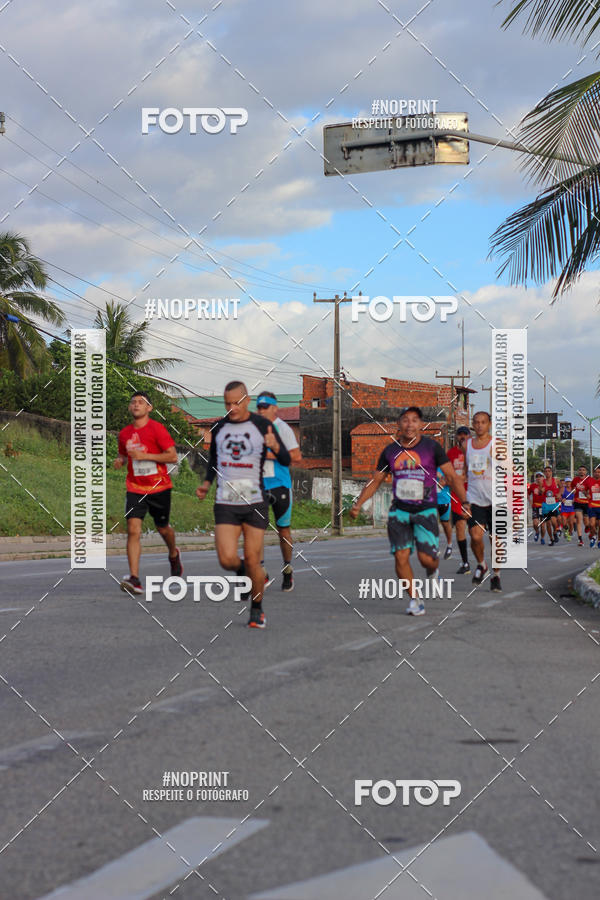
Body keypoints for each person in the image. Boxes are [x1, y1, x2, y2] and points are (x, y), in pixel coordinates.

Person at [349, 407, 469, 616]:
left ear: (420, 425)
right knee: (401, 557)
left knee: (426, 560)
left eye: (414, 420)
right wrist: (358, 504)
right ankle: (415, 599)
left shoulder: (432, 448)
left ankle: (433, 571)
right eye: (405, 420)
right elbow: (376, 480)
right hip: (400, 512)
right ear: (399, 424)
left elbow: (451, 476)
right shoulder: (390, 451)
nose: (410, 424)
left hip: (425, 511)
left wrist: (466, 503)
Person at [195, 381, 291, 629]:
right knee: (227, 559)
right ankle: (241, 573)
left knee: (252, 559)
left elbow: (286, 458)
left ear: (247, 400)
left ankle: (257, 610)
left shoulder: (263, 426)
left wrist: (275, 445)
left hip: (254, 502)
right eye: (227, 403)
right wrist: (206, 483)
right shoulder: (221, 426)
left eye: (236, 402)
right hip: (225, 501)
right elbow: (214, 459)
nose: (231, 408)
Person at [114, 391, 182, 595]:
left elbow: (172, 457)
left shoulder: (157, 429)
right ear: (129, 407)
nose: (136, 405)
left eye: (141, 402)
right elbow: (124, 454)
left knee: (163, 529)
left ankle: (173, 553)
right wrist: (121, 460)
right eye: (133, 402)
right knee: (133, 530)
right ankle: (134, 578)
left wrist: (146, 455)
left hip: (159, 487)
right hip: (135, 488)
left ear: (149, 408)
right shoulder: (124, 433)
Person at [255, 391, 302, 591]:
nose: (261, 410)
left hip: (280, 485)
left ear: (275, 408)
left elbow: (296, 456)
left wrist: (269, 453)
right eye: (259, 406)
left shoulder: (283, 429)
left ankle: (287, 568)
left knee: (283, 529)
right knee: (256, 531)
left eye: (265, 406)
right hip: (258, 486)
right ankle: (261, 573)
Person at [465, 410, 502, 591]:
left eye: (483, 422)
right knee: (475, 536)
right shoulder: (468, 445)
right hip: (474, 499)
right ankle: (482, 564)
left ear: (489, 424)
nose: (479, 425)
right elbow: (463, 470)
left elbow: (510, 468)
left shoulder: (497, 444)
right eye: (476, 422)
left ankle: (496, 575)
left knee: (496, 541)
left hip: (495, 500)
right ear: (473, 424)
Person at [447, 426, 471, 573]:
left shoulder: (475, 452)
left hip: (474, 494)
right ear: (456, 437)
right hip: (456, 496)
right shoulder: (451, 453)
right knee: (460, 529)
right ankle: (465, 563)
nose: (462, 437)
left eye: (465, 434)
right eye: (460, 434)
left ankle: (483, 563)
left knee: (476, 534)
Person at [572, 464, 592, 547]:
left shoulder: (590, 480)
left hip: (587, 503)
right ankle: (580, 540)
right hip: (578, 502)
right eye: (580, 470)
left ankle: (587, 527)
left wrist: (587, 493)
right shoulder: (575, 480)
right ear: (578, 471)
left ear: (586, 472)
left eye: (583, 470)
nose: (581, 471)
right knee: (579, 520)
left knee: (586, 522)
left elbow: (592, 492)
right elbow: (572, 489)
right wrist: (573, 494)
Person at [540, 466, 560, 545]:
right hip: (546, 505)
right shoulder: (542, 482)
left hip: (554, 504)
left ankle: (555, 532)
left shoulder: (556, 480)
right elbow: (540, 492)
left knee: (554, 521)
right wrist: (541, 491)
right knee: (548, 524)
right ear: (544, 473)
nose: (547, 472)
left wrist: (559, 494)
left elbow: (562, 487)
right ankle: (551, 539)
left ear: (551, 472)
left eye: (549, 471)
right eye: (546, 471)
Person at [436, 468, 453, 559]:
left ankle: (449, 545)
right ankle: (434, 546)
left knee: (445, 524)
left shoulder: (445, 466)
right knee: (431, 523)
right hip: (431, 500)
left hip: (444, 500)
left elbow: (453, 481)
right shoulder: (428, 465)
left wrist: (443, 478)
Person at [528, 471, 544, 542]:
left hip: (544, 507)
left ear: (543, 477)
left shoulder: (546, 485)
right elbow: (528, 493)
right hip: (535, 506)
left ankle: (542, 538)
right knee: (535, 524)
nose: (538, 478)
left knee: (543, 524)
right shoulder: (533, 486)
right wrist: (530, 501)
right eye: (537, 477)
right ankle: (537, 532)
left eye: (540, 476)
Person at [587, 464, 600, 548]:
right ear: (593, 473)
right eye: (595, 472)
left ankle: (599, 540)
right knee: (592, 524)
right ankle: (594, 535)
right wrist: (586, 494)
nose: (597, 473)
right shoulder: (589, 481)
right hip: (592, 506)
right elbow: (584, 489)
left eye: (599, 472)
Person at [560, 476, 575, 541]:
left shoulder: (574, 489)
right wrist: (561, 499)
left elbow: (576, 496)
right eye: (567, 482)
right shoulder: (563, 489)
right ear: (565, 483)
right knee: (564, 522)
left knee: (571, 523)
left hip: (571, 508)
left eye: (569, 482)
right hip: (564, 508)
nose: (568, 483)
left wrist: (574, 499)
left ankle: (570, 533)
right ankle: (566, 531)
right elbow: (558, 496)